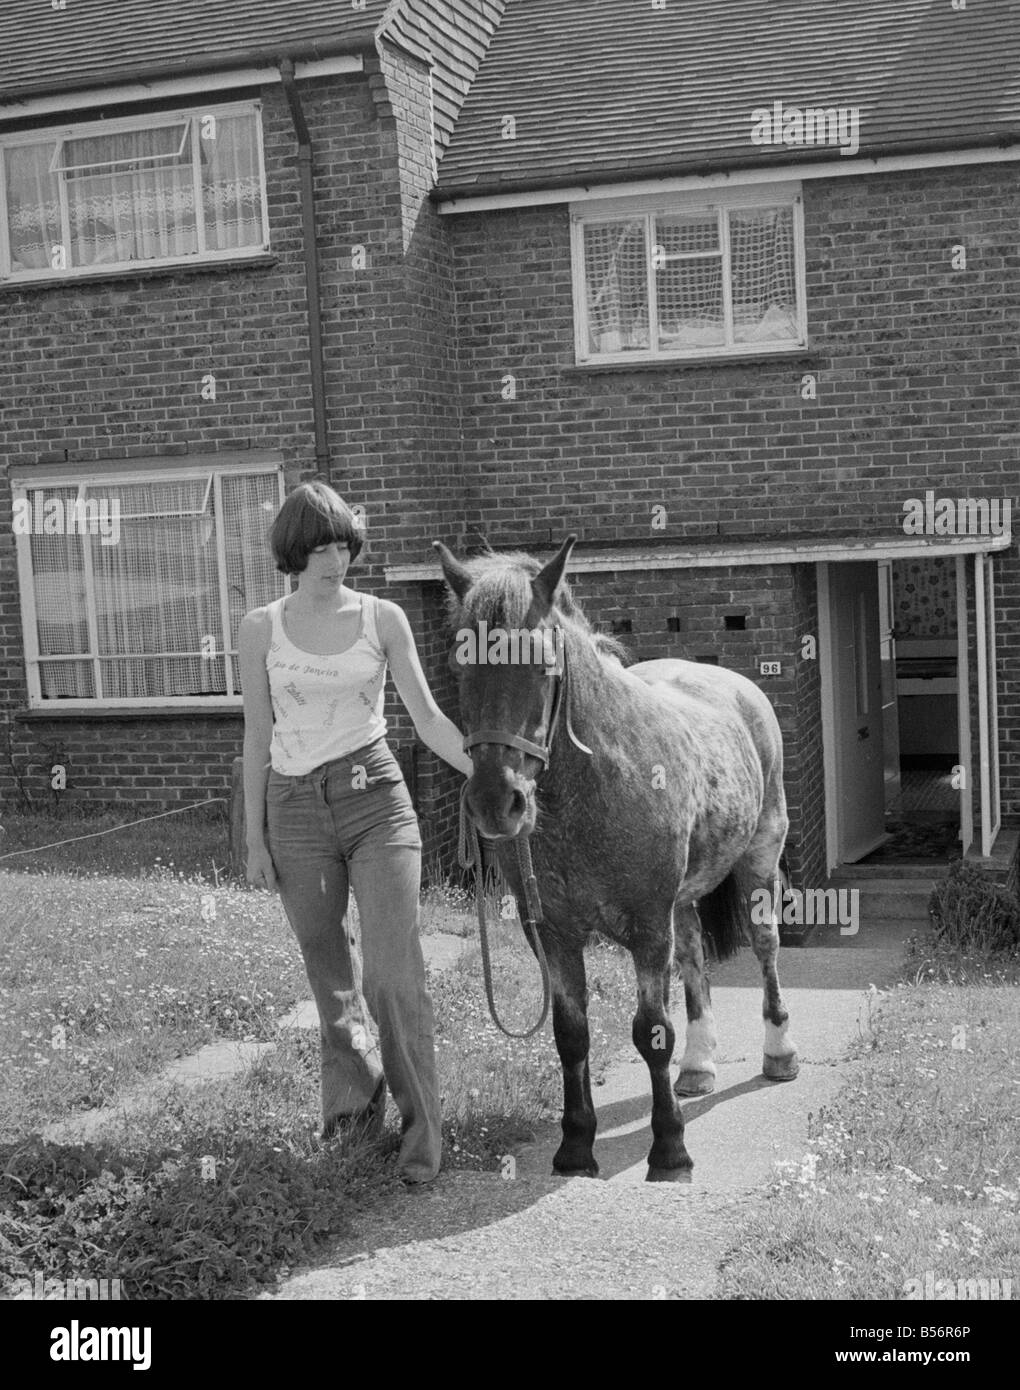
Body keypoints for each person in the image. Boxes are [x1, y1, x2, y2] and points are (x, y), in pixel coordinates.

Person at [238, 481, 472, 1184]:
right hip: (294, 809)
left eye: (342, 544)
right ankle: (350, 1112)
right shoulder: (260, 628)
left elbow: (427, 719)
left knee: (393, 976)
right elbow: (257, 734)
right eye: (318, 548)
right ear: (292, 553)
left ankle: (423, 1132)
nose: (333, 560)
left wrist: (491, 777)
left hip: (375, 800)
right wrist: (255, 839)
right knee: (329, 974)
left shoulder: (383, 618)